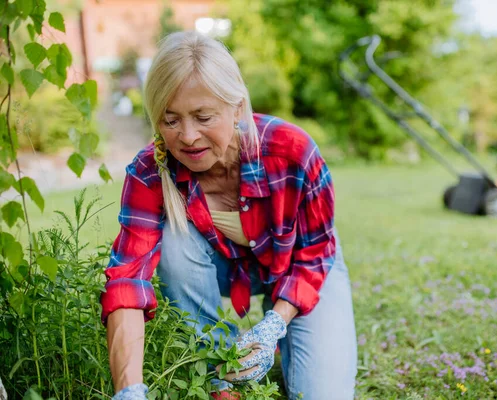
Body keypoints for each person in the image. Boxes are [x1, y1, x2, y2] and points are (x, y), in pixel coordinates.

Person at [100, 31, 357, 400]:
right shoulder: (150, 171)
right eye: (170, 120)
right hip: (219, 269)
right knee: (174, 243)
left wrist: (274, 325)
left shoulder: (292, 152)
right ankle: (218, 378)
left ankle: (283, 345)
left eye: (203, 116)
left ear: (237, 107)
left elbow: (315, 253)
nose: (188, 137)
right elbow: (126, 281)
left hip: (302, 267)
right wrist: (129, 390)